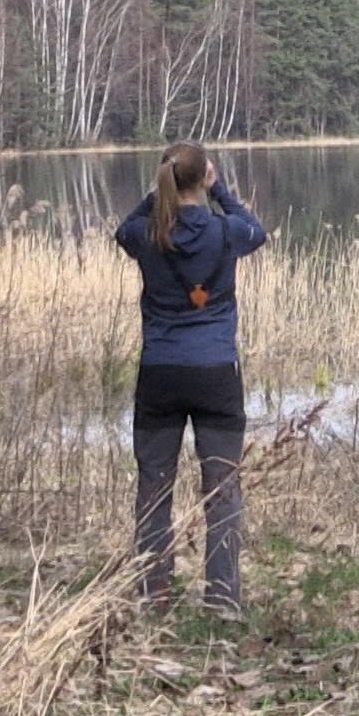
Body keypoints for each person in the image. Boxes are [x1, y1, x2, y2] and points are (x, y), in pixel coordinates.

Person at [114, 141, 267, 615]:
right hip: (216, 372)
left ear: (164, 179)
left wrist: (158, 190)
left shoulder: (147, 234)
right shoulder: (225, 232)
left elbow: (123, 229)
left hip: (160, 372)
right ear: (205, 176)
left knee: (154, 486)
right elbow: (256, 231)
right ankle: (222, 600)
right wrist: (221, 191)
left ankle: (153, 597)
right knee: (221, 490)